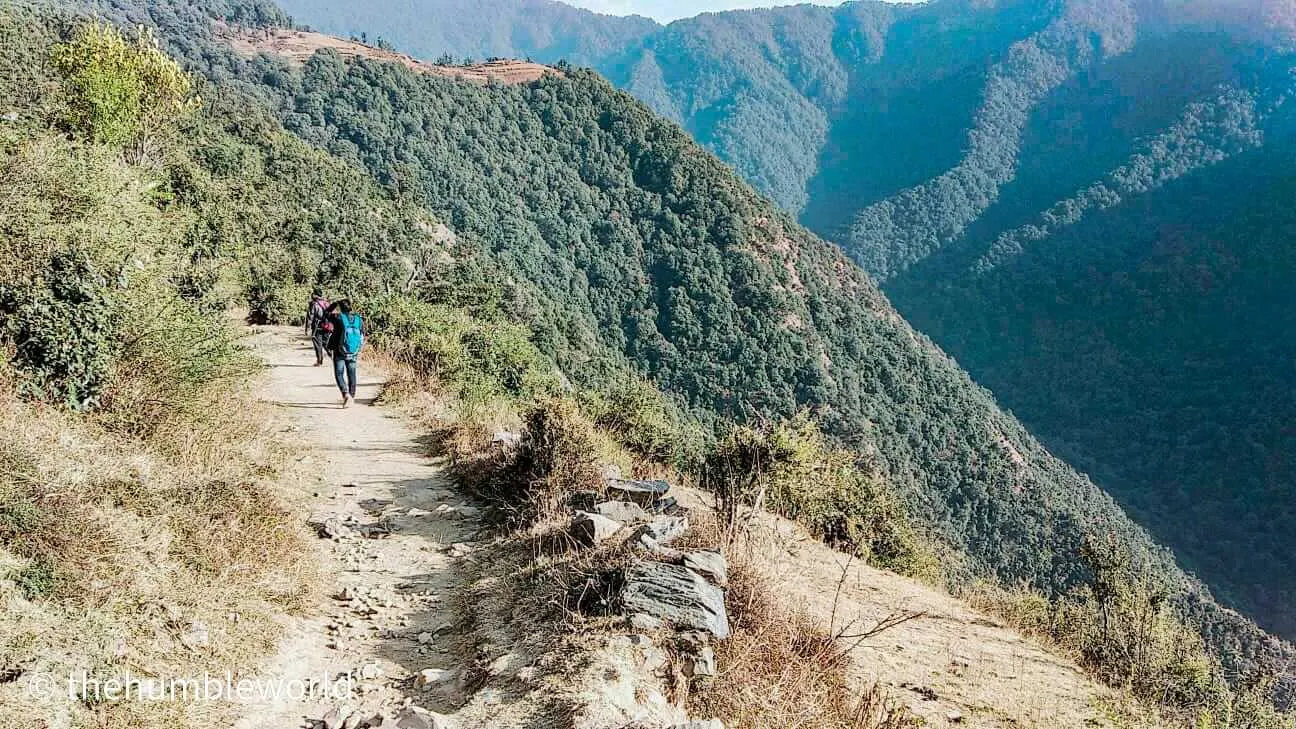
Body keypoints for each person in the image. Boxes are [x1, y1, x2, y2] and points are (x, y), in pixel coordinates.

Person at [324, 299, 365, 407]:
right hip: (353, 351)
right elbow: (363, 333)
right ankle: (351, 396)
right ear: (351, 307)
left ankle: (345, 394)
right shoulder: (358, 319)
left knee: (339, 373)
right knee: (352, 374)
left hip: (339, 351)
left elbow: (326, 313)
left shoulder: (338, 318)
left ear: (340, 308)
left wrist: (333, 304)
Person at [305, 288, 331, 366]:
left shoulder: (314, 304)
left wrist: (307, 328)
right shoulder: (326, 303)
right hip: (327, 326)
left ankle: (319, 361)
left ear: (315, 295)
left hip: (317, 326)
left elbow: (310, 317)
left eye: (313, 293)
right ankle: (332, 355)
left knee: (317, 343)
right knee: (326, 342)